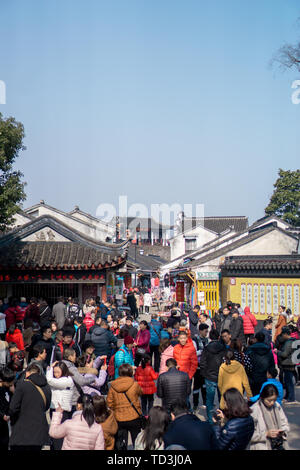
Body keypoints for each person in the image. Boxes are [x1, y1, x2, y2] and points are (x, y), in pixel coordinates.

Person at [9, 363, 52, 451]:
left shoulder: (22, 385)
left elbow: (13, 408)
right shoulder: (47, 387)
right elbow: (46, 407)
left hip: (22, 431)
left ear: (27, 373)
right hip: (39, 432)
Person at [107, 363, 143, 448]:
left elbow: (109, 402)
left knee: (121, 443)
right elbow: (141, 393)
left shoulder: (113, 386)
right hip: (134, 416)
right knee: (136, 441)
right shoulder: (135, 384)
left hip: (119, 418)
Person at [249, 384, 289, 450]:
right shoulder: (254, 410)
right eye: (269, 400)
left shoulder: (277, 406)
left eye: (274, 400)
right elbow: (248, 435)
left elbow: (285, 423)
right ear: (262, 397)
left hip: (279, 445)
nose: (272, 403)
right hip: (262, 446)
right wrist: (265, 434)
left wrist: (283, 431)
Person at [199, 329, 226, 424]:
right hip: (221, 376)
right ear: (219, 337)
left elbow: (202, 363)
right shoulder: (223, 348)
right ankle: (222, 417)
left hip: (209, 377)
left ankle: (210, 419)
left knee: (209, 399)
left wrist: (204, 373)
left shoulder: (207, 348)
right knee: (221, 399)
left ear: (210, 337)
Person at [246, 332, 277, 396]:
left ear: (256, 339)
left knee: (254, 395)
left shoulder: (250, 350)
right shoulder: (268, 350)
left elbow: (246, 363)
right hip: (265, 376)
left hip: (253, 376)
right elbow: (272, 364)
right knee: (264, 394)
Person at [275, 326, 298, 404]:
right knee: (288, 380)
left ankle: (291, 398)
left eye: (283, 334)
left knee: (289, 381)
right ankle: (288, 396)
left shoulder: (288, 342)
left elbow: (284, 354)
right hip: (291, 362)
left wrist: (278, 352)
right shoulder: (293, 341)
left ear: (285, 334)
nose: (282, 336)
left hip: (288, 363)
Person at [192, 323, 209, 411]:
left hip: (205, 366)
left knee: (204, 385)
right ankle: (195, 403)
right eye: (205, 331)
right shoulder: (194, 340)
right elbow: (194, 353)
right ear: (200, 331)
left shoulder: (207, 340)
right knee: (196, 386)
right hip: (197, 366)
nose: (206, 333)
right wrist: (202, 351)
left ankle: (205, 402)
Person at [0, 367, 15, 450]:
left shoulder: (9, 388)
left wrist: (13, 392)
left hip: (5, 422)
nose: (12, 383)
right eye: (10, 382)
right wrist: (2, 415)